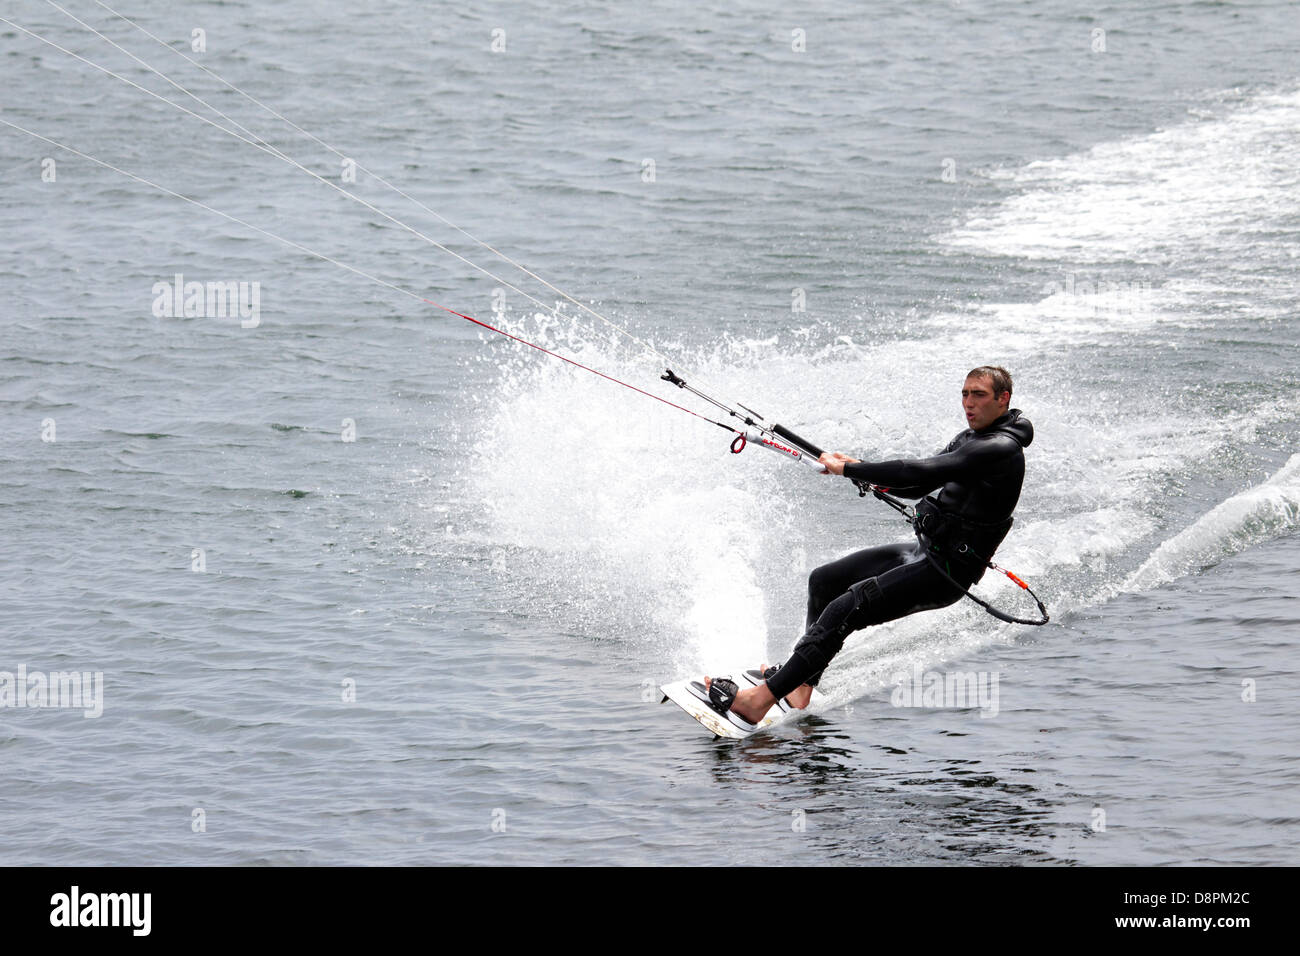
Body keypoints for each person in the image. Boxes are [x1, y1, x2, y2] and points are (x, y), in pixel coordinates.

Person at [704, 365, 1034, 726]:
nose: (968, 403)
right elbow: (914, 488)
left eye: (979, 395)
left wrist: (851, 469)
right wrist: (857, 468)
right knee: (825, 581)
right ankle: (800, 685)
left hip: (945, 574)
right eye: (964, 393)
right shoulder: (971, 438)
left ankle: (759, 701)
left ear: (1003, 399)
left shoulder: (1001, 449)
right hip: (924, 553)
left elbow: (916, 471)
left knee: (848, 607)